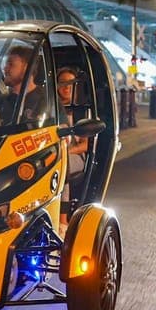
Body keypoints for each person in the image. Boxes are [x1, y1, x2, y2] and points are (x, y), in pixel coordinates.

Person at [57, 67, 88, 231]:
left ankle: (63, 219)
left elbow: (86, 144)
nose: (66, 87)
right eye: (63, 83)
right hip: (55, 154)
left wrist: (66, 152)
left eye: (71, 83)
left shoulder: (81, 112)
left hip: (74, 157)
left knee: (63, 162)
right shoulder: (52, 110)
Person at [0, 45, 45, 124]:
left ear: (26, 68)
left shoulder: (46, 100)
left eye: (11, 64)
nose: (5, 68)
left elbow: (61, 129)